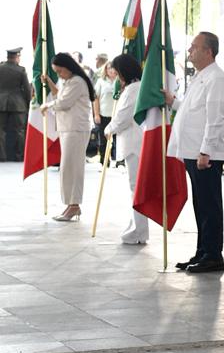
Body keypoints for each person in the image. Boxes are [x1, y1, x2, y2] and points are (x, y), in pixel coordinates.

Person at [167, 31, 224, 273]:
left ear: (208, 51)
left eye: (194, 47)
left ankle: (213, 255)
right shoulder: (201, 77)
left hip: (205, 154)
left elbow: (215, 118)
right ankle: (203, 251)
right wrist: (173, 102)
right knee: (201, 204)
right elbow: (190, 109)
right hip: (193, 151)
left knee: (209, 205)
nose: (189, 51)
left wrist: (205, 150)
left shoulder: (216, 78)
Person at [40, 53, 96, 221]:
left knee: (73, 167)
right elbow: (60, 96)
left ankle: (74, 205)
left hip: (76, 129)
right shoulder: (68, 81)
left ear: (68, 67)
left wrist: (46, 105)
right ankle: (71, 205)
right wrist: (49, 82)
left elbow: (64, 103)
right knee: (67, 168)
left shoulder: (78, 81)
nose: (59, 75)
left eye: (60, 71)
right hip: (68, 129)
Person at [103, 55, 148, 245]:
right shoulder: (134, 88)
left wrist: (109, 129)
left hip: (134, 144)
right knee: (134, 188)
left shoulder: (133, 90)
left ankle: (138, 231)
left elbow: (123, 117)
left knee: (135, 188)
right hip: (134, 143)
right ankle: (136, 228)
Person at [0, 47, 32, 162]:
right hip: (18, 104)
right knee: (20, 131)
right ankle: (19, 157)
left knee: (1, 131)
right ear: (17, 57)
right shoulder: (21, 70)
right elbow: (27, 89)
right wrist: (29, 102)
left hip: (1, 103)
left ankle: (2, 156)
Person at [92, 63, 118, 166]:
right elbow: (95, 98)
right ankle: (104, 160)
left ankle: (118, 160)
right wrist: (96, 114)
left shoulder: (119, 81)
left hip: (116, 115)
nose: (111, 70)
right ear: (105, 70)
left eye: (113, 68)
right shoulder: (101, 82)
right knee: (103, 140)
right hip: (103, 115)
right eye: (109, 68)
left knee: (117, 139)